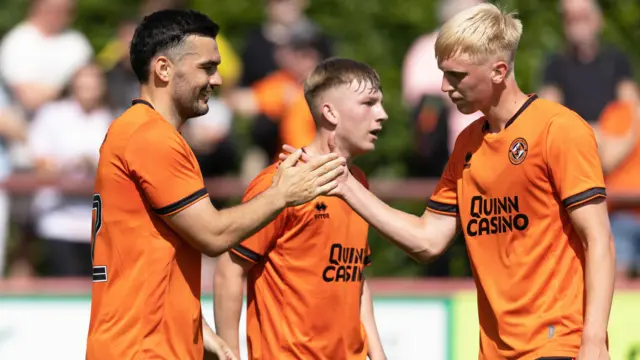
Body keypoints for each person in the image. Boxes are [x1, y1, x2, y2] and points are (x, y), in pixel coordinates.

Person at [283, 4, 615, 360]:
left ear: (499, 71)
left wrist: (592, 342)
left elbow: (598, 239)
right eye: (443, 73)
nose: (444, 87)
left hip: (558, 345)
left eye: (456, 75)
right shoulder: (467, 144)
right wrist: (344, 184)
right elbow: (427, 240)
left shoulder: (558, 129)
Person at [85, 9, 346, 360]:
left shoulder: (135, 130)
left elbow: (139, 253)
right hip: (143, 349)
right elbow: (213, 235)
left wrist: (196, 326)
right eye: (207, 67)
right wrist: (282, 194)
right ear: (164, 69)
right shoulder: (152, 137)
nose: (218, 79)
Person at [214, 57, 388, 360]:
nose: (382, 115)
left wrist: (378, 354)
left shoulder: (358, 183)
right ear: (330, 112)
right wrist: (229, 355)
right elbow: (229, 270)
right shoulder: (280, 183)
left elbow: (355, 277)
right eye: (369, 103)